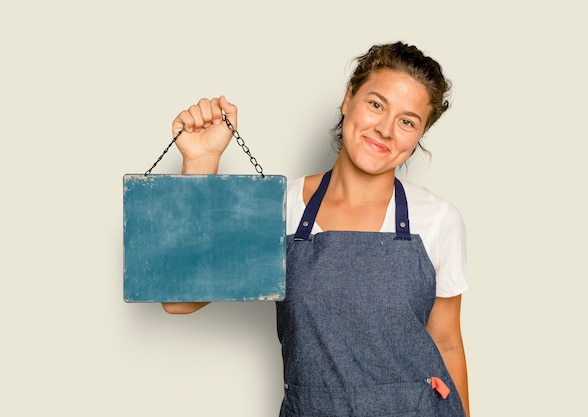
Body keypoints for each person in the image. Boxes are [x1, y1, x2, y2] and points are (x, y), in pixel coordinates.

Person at [162, 41, 470, 417]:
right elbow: (178, 299)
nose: (386, 129)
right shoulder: (281, 206)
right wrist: (201, 161)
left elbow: (446, 341)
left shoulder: (438, 218)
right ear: (348, 99)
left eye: (407, 121)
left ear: (418, 135)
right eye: (376, 104)